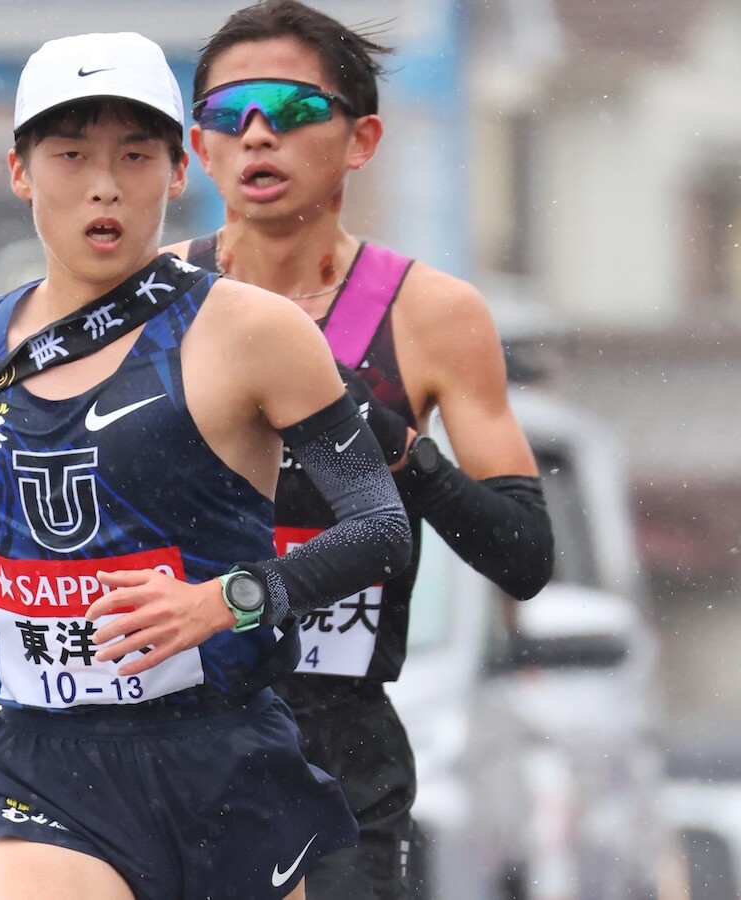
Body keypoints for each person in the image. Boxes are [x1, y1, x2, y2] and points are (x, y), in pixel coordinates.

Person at [0, 31, 412, 900]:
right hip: (43, 768)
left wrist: (225, 601)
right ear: (20, 171)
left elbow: (380, 527)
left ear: (179, 173)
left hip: (225, 756)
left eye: (136, 156)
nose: (104, 184)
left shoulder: (256, 333)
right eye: (71, 155)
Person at [165, 2, 555, 897]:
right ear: (200, 148)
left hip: (338, 749)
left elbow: (524, 555)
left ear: (361, 139)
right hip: (174, 734)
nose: (256, 133)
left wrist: (385, 438)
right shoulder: (152, 304)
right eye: (228, 113)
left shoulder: (431, 315)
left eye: (293, 108)